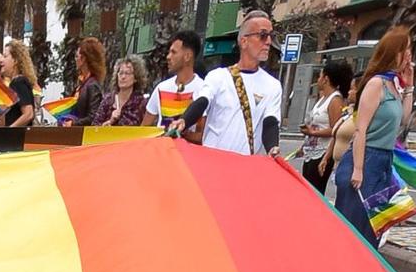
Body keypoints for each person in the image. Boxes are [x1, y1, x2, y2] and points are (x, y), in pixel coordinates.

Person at [334, 26, 416, 247]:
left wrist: (409, 86)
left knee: (374, 229)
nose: (409, 54)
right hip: (366, 159)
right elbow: (361, 129)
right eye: (405, 49)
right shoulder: (376, 84)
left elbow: (404, 120)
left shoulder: (394, 85)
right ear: (393, 52)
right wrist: (358, 169)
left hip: (383, 163)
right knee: (354, 228)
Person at [191, 11, 282, 154]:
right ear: (244, 41)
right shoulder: (218, 77)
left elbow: (270, 121)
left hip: (244, 167)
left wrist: (272, 147)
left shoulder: (273, 85)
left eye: (271, 36)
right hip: (212, 162)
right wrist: (183, 121)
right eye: (263, 35)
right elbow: (202, 102)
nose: (269, 42)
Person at [296, 58, 351, 194]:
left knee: (315, 192)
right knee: (307, 191)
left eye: (320, 76)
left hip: (322, 152)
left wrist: (313, 133)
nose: (318, 79)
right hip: (311, 151)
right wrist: (304, 144)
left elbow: (335, 129)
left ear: (326, 79)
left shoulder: (335, 100)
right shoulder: (323, 98)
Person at [144, 29, 206, 130]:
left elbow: (201, 136)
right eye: (169, 52)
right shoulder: (161, 87)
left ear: (187, 56)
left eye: (173, 52)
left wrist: (180, 132)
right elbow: (144, 129)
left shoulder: (203, 90)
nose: (168, 57)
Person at [99, 55, 148, 126]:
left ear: (136, 78)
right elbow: (94, 128)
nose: (123, 77)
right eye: (121, 73)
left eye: (127, 73)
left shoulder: (141, 103)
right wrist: (110, 121)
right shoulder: (108, 100)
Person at [68, 39, 107, 124]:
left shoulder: (92, 86)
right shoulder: (81, 84)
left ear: (84, 59)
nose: (75, 60)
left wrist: (74, 123)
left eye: (77, 56)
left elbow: (93, 117)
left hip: (84, 134)